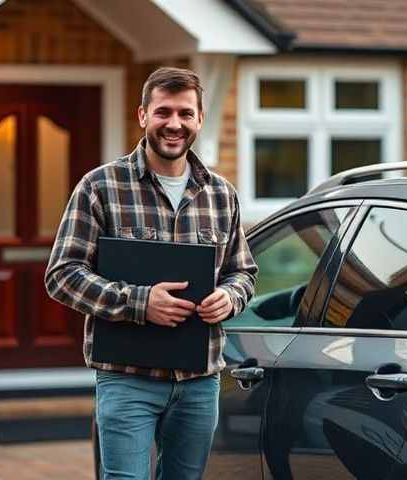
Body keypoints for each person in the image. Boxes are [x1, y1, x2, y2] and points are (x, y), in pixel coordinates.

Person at [45, 67, 257, 480]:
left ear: (198, 119)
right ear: (143, 115)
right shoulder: (100, 186)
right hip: (127, 381)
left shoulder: (220, 194)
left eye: (184, 113)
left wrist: (230, 297)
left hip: (200, 383)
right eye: (163, 112)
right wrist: (141, 302)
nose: (173, 124)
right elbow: (62, 275)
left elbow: (243, 272)